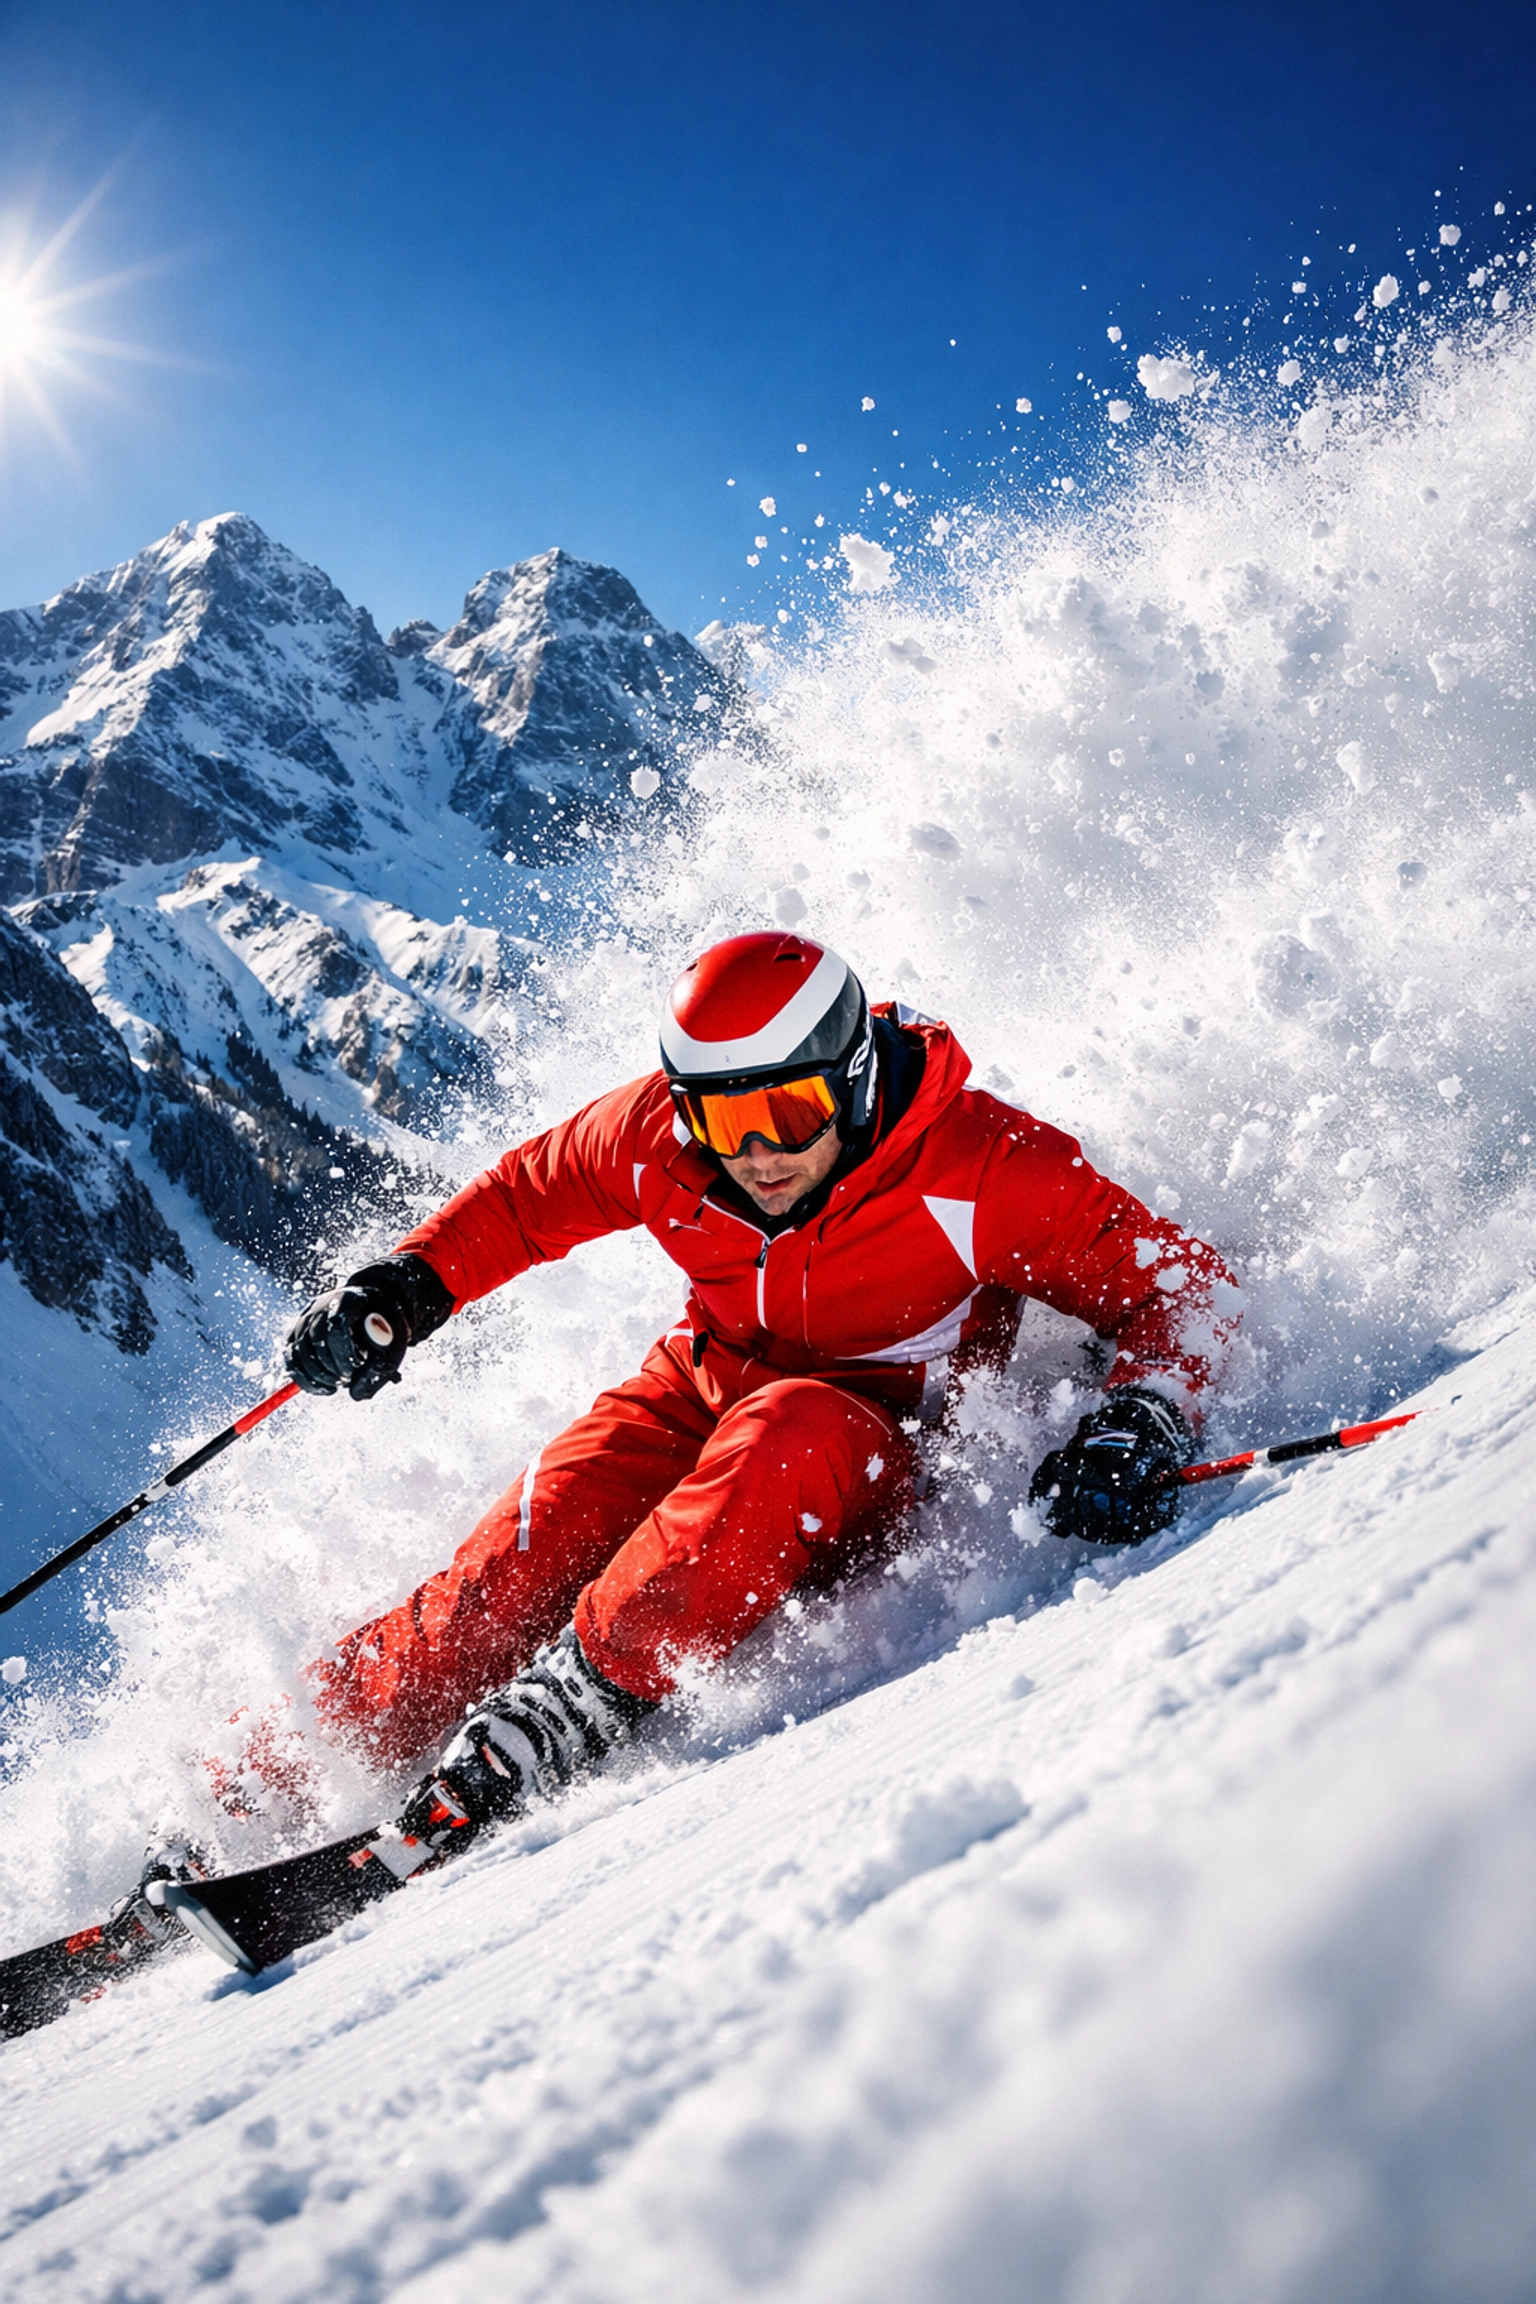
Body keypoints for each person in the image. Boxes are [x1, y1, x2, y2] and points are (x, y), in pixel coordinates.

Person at [269, 932, 1241, 1876]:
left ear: (853, 1076)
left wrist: (1137, 1419)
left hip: (869, 1435)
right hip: (701, 1385)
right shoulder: (664, 1140)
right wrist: (404, 1288)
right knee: (506, 1576)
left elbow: (1182, 1291)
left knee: (785, 1438)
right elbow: (530, 1197)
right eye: (727, 1125)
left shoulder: (979, 1168)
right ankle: (256, 1787)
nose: (760, 1155)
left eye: (789, 1111)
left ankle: (565, 1706)